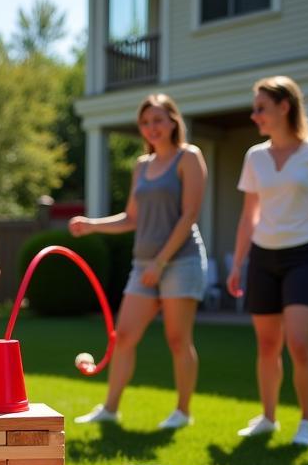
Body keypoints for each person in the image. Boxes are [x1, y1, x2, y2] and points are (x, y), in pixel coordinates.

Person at [69, 93, 208, 429]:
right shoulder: (142, 166)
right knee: (124, 336)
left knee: (178, 339)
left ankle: (182, 412)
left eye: (158, 120)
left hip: (180, 262)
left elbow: (189, 214)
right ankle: (110, 409)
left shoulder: (189, 157)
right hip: (144, 264)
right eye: (145, 123)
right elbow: (132, 217)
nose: (151, 128)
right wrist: (92, 224)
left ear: (174, 120)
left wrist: (161, 262)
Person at [226, 75, 308, 448]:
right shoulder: (255, 157)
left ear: (284, 107)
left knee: (298, 343)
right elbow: (248, 216)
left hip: (303, 256)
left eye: (261, 108)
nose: (254, 115)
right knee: (266, 346)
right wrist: (237, 263)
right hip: (262, 257)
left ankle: (307, 422)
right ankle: (268, 417)